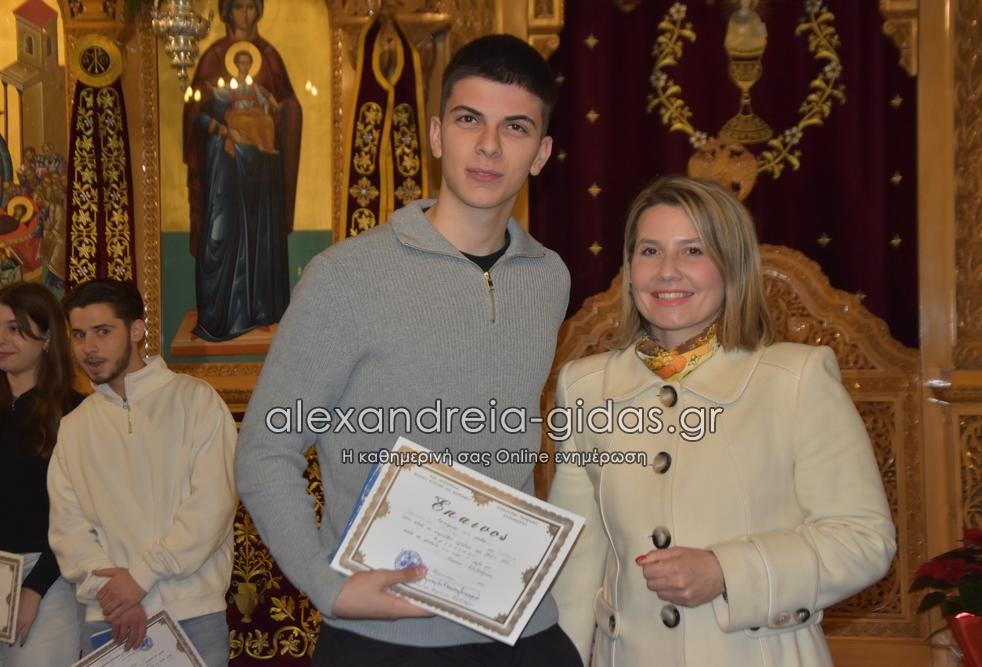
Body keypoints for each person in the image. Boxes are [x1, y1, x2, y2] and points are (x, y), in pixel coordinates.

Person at [235, 33, 580, 665]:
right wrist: (327, 585)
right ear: (436, 134)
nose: (489, 145)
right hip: (387, 636)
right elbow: (265, 450)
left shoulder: (549, 278)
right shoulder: (346, 277)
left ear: (541, 153)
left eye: (516, 127)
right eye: (469, 119)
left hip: (519, 626)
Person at [548, 175, 897, 666]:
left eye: (693, 251)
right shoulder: (584, 386)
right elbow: (577, 558)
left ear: (733, 268)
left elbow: (863, 540)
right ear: (629, 270)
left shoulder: (796, 380)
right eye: (650, 251)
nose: (667, 271)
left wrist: (726, 571)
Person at [47, 279, 238, 666]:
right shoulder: (74, 426)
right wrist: (114, 595)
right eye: (79, 335)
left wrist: (141, 578)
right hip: (108, 617)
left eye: (103, 331)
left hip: (191, 610)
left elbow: (213, 506)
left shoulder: (195, 400)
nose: (89, 347)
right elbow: (68, 529)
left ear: (136, 330)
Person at [183, 0, 302, 342]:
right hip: (223, 163)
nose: (245, 14)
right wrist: (224, 129)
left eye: (251, 7)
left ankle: (260, 312)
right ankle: (214, 319)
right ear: (226, 11)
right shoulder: (212, 58)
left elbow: (290, 107)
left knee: (259, 234)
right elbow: (194, 112)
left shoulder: (271, 58)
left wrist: (277, 110)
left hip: (262, 167)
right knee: (219, 231)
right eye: (238, 7)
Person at [0, 281, 84, 666]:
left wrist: (34, 588)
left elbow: (82, 515)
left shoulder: (76, 412)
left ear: (47, 338)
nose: (0, 339)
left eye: (15, 328)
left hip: (46, 579)